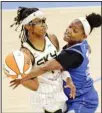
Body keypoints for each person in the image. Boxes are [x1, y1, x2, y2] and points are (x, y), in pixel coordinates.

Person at [10, 12, 102, 113]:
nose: (69, 31)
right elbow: (88, 49)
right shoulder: (82, 44)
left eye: (74, 31)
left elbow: (44, 68)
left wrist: (22, 77)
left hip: (83, 101)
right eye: (70, 26)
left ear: (84, 36)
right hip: (72, 98)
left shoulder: (72, 54)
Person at [10, 7, 76, 113]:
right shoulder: (26, 53)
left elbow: (60, 65)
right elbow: (35, 86)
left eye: (44, 21)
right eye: (38, 22)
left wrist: (68, 79)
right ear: (27, 26)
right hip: (44, 99)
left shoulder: (52, 39)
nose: (43, 24)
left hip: (60, 93)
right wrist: (21, 79)